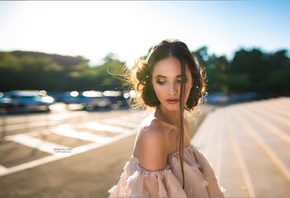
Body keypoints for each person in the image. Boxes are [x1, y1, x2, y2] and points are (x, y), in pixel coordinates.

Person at [108, 39, 225, 197]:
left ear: (193, 81)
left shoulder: (183, 123)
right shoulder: (154, 132)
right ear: (151, 83)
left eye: (181, 80)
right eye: (161, 81)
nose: (172, 91)